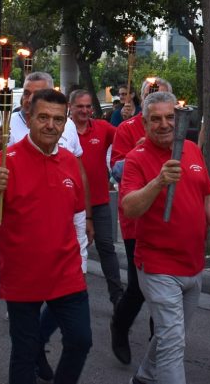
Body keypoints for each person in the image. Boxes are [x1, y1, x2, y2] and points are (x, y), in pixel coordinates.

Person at [0, 88, 92, 384]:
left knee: (81, 340)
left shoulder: (69, 161)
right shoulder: (5, 160)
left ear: (66, 123)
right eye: (43, 117)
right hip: (22, 275)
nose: (51, 125)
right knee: (24, 353)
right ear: (29, 118)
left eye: (57, 119)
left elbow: (77, 219)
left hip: (67, 272)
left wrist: (83, 262)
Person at [121, 90, 210, 384]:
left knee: (170, 335)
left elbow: (209, 198)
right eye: (156, 119)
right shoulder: (136, 159)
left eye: (170, 117)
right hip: (158, 265)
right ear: (145, 123)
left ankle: (146, 377)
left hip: (192, 263)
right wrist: (159, 181)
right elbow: (129, 207)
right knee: (174, 342)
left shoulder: (191, 148)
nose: (164, 124)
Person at [108, 76, 171, 365]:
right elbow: (117, 170)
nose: (163, 121)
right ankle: (119, 327)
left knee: (165, 289)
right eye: (151, 94)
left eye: (162, 95)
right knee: (138, 287)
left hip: (170, 222)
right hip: (138, 222)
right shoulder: (127, 129)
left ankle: (157, 344)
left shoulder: (174, 130)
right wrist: (143, 149)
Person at [69, 88, 122, 305]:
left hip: (99, 202)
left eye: (88, 106)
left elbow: (124, 137)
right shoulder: (61, 130)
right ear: (70, 107)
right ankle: (70, 297)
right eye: (79, 106)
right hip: (70, 203)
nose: (84, 110)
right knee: (71, 252)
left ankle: (117, 298)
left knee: (107, 249)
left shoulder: (102, 128)